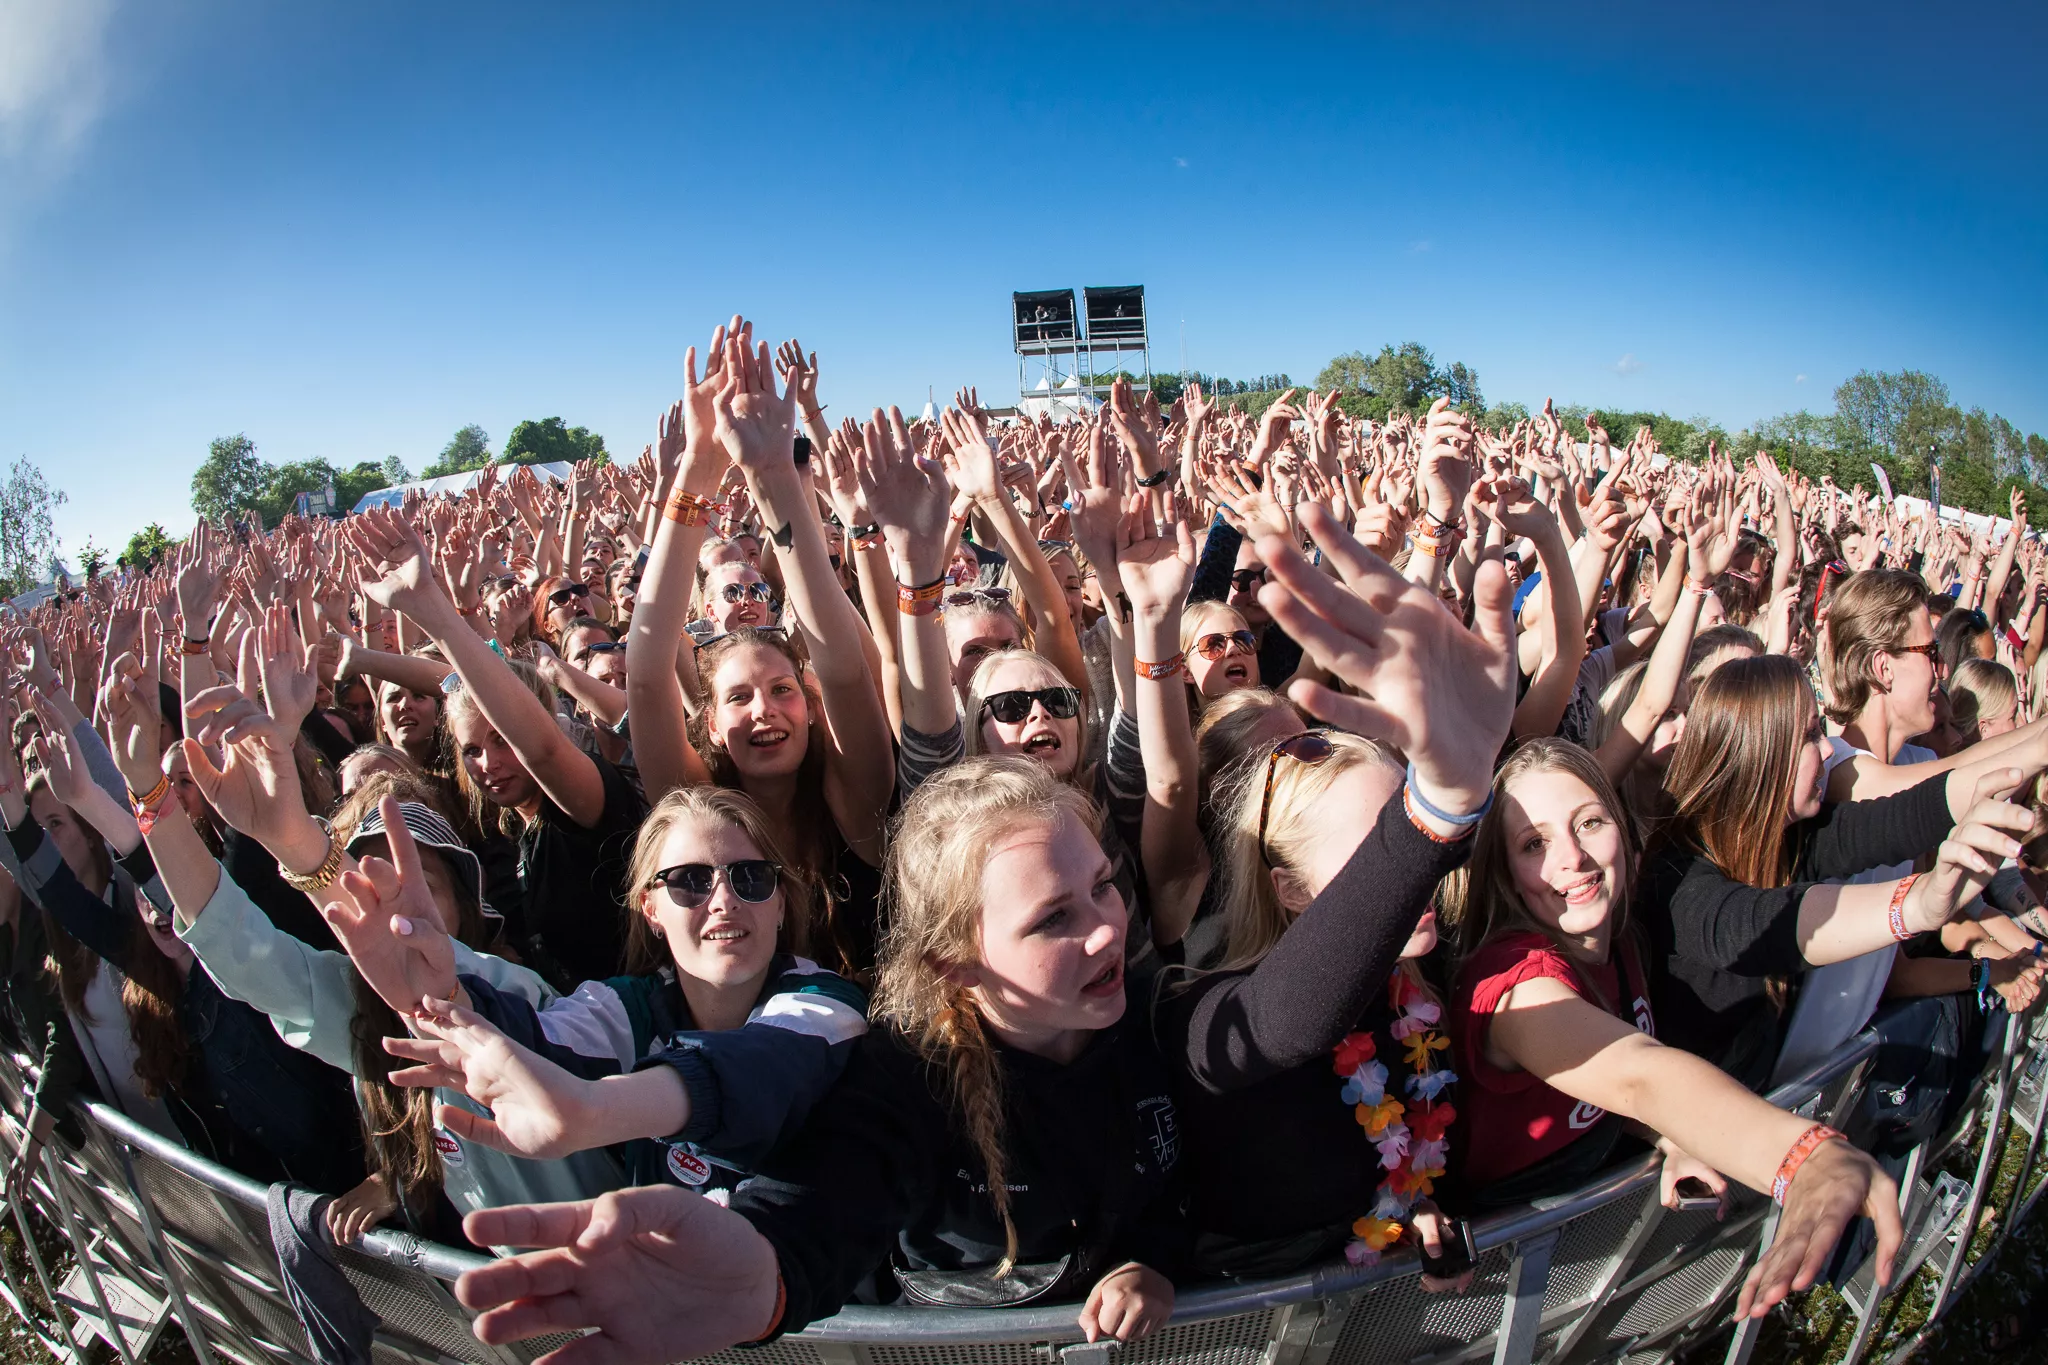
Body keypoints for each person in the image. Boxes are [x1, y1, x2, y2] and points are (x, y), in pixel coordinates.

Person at [454, 759, 1181, 1357]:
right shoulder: (905, 1076)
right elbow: (827, 1193)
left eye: (1104, 887)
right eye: (1055, 916)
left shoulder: (1158, 1018)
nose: (1105, 930)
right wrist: (764, 1268)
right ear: (955, 961)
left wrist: (1154, 1258)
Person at [1154, 509, 1510, 1274]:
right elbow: (1286, 1023)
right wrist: (1431, 815)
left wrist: (1417, 1216)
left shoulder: (1413, 987)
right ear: (1288, 887)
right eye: (1378, 853)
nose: (1415, 876)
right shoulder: (1202, 1011)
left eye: (1402, 836)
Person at [1449, 739, 1907, 1250]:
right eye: (1534, 844)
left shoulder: (1623, 939)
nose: (1572, 858)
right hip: (1503, 1260)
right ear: (1507, 874)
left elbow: (1615, 1099)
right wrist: (1802, 1158)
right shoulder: (1515, 982)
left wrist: (1667, 1136)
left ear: (1621, 828)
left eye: (1589, 823)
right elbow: (1635, 1074)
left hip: (1576, 1235)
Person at [369, 786, 867, 1202]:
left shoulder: (826, 1005)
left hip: (819, 1317)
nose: (723, 901)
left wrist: (590, 1110)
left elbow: (761, 1065)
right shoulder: (628, 1008)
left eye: (751, 879)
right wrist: (448, 996)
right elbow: (532, 1040)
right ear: (651, 909)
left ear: (780, 903)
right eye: (690, 882)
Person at [627, 325, 894, 979]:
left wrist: (778, 481)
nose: (763, 710)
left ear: (809, 707)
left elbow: (845, 667)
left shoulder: (855, 801)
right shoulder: (697, 804)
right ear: (711, 721)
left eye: (782, 690)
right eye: (738, 696)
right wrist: (696, 471)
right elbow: (645, 675)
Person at [1642, 654, 2039, 1087]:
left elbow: (1903, 817)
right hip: (1692, 1143)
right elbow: (1779, 923)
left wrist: (2035, 750)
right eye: (1811, 736)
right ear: (1762, 755)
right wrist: (1920, 903)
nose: (1828, 748)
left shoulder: (1786, 836)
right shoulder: (1679, 880)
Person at [349, 506, 650, 988]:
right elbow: (450, 685)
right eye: (471, 750)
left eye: (503, 739)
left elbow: (543, 750)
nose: (488, 763)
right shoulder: (510, 822)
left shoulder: (583, 799)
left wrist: (431, 606)